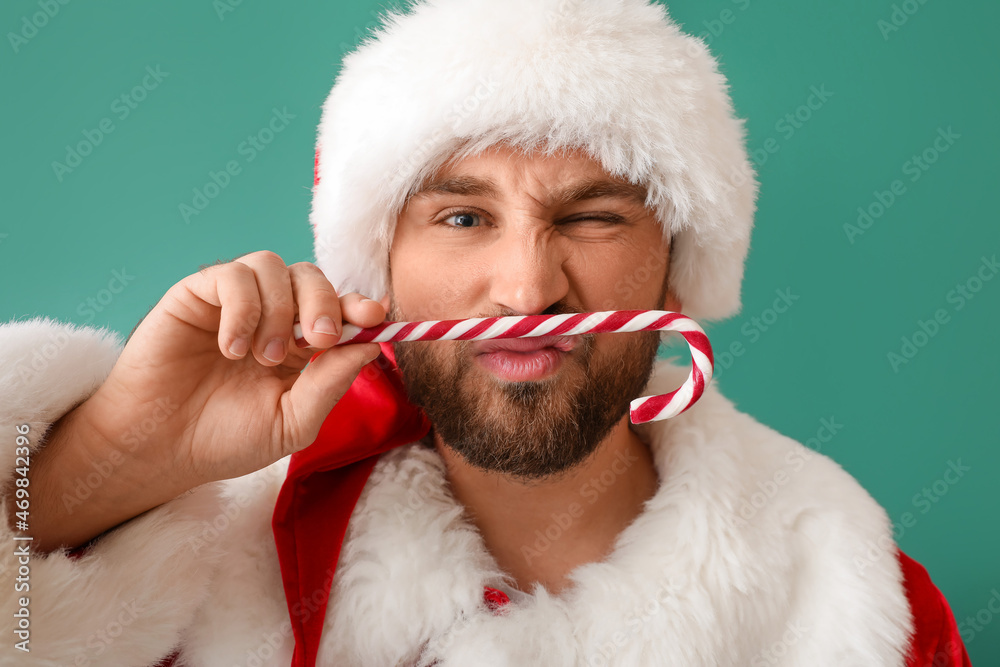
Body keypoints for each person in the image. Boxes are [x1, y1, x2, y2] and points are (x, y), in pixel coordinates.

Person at [0, 1, 971, 665]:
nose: (526, 288)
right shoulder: (207, 573)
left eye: (593, 217)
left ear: (674, 267)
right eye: (462, 218)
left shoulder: (856, 608)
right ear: (379, 269)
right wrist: (116, 457)